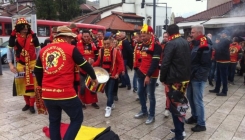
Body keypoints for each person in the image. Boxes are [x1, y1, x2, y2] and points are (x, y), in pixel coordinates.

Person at [34, 26, 98, 140]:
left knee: (54, 121)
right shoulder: (71, 48)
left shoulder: (44, 50)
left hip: (48, 94)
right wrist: (94, 77)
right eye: (70, 38)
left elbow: (37, 71)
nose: (71, 40)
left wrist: (42, 86)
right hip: (65, 92)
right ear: (66, 37)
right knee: (77, 118)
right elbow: (85, 65)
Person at [160, 24, 191, 140]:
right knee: (181, 104)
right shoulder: (185, 42)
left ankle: (179, 135)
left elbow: (165, 64)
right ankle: (180, 129)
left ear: (168, 33)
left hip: (174, 80)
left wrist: (162, 78)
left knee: (175, 107)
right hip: (185, 79)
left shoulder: (171, 44)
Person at [7, 18, 41, 114]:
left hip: (32, 63)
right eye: (23, 26)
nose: (25, 28)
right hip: (20, 64)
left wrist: (38, 63)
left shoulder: (34, 37)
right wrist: (10, 65)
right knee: (22, 84)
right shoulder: (13, 38)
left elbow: (38, 50)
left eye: (27, 26)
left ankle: (31, 105)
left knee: (33, 84)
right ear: (18, 27)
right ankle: (27, 103)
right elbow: (9, 51)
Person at [134, 24, 162, 125]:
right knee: (140, 92)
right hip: (141, 72)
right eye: (141, 35)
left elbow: (154, 63)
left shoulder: (156, 45)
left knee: (150, 95)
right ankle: (144, 110)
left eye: (144, 35)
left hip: (151, 74)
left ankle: (151, 115)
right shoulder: (142, 44)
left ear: (150, 34)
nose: (142, 37)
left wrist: (148, 75)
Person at [186, 25, 212, 132]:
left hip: (198, 77)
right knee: (190, 97)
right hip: (191, 76)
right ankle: (194, 116)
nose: (191, 34)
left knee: (198, 100)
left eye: (193, 32)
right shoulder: (195, 43)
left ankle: (201, 124)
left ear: (199, 32)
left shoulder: (205, 44)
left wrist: (197, 75)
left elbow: (205, 64)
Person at [92, 37, 124, 117]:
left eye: (108, 43)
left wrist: (118, 73)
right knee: (106, 92)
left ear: (111, 43)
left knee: (110, 92)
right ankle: (111, 103)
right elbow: (98, 62)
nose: (106, 45)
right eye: (105, 43)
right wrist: (91, 64)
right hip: (103, 76)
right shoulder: (101, 51)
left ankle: (108, 107)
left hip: (112, 75)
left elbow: (120, 63)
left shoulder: (116, 51)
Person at [74, 30, 100, 109]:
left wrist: (94, 60)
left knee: (93, 86)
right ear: (82, 37)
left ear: (90, 36)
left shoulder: (93, 44)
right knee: (82, 87)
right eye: (84, 36)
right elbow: (76, 57)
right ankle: (82, 102)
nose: (86, 38)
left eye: (87, 36)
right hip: (82, 69)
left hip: (91, 68)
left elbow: (97, 56)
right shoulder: (78, 44)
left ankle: (94, 102)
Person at [209, 30, 231, 96]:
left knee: (223, 77)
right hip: (219, 60)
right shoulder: (222, 40)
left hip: (224, 61)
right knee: (218, 76)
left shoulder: (226, 40)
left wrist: (214, 42)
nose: (221, 34)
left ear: (226, 34)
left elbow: (218, 47)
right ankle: (217, 88)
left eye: (223, 33)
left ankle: (224, 91)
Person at [161, 32, 171, 118]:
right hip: (166, 72)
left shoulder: (172, 46)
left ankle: (172, 108)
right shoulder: (162, 45)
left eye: (166, 37)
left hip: (174, 73)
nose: (165, 38)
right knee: (167, 92)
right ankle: (167, 108)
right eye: (164, 37)